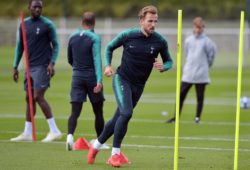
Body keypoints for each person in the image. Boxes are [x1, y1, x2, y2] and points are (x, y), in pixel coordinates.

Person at [87, 5, 173, 167]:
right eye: (150, 21)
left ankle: (96, 146)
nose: (153, 24)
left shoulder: (160, 41)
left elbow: (169, 61)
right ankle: (115, 155)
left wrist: (165, 66)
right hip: (122, 79)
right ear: (141, 20)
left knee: (117, 119)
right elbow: (109, 48)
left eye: (155, 21)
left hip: (139, 86)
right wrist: (107, 66)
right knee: (126, 113)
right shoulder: (128, 35)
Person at [11, 0, 62, 142]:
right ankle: (27, 132)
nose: (38, 9)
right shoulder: (24, 24)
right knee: (29, 98)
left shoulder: (48, 25)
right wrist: (15, 66)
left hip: (43, 66)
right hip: (29, 66)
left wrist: (52, 63)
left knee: (38, 96)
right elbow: (20, 47)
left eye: (40, 7)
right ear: (29, 8)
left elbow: (56, 46)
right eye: (35, 7)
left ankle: (54, 130)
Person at [66, 12, 109, 151]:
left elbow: (69, 58)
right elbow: (97, 59)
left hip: (76, 77)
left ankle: (69, 137)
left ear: (82, 22)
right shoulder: (94, 37)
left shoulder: (72, 37)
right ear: (94, 23)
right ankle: (100, 142)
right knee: (98, 112)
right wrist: (99, 80)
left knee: (75, 111)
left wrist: (78, 69)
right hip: (91, 77)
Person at [167, 17, 216, 124]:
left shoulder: (207, 42)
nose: (198, 30)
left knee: (200, 96)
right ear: (193, 28)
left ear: (203, 28)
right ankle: (175, 117)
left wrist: (206, 66)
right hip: (188, 73)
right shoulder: (188, 40)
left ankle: (197, 118)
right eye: (196, 27)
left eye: (200, 28)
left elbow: (211, 55)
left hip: (201, 74)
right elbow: (186, 53)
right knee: (180, 95)